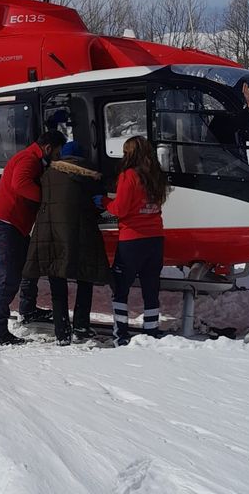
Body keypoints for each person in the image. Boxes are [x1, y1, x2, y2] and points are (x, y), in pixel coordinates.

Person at [23, 141, 111, 346]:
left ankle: (62, 332)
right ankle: (81, 325)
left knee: (57, 281)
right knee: (85, 277)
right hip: (81, 232)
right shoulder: (89, 175)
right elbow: (96, 205)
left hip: (51, 232)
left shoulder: (46, 175)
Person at [0, 131, 67, 345]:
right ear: (48, 148)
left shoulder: (35, 159)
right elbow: (20, 185)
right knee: (7, 279)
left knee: (29, 269)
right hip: (4, 226)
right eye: (57, 153)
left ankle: (28, 310)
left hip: (16, 228)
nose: (58, 157)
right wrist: (47, 199)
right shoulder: (28, 159)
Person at [97, 136, 170, 346]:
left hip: (132, 239)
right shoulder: (156, 176)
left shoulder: (128, 175)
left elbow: (120, 209)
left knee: (120, 288)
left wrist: (103, 201)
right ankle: (151, 331)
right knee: (151, 287)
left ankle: (121, 334)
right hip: (156, 238)